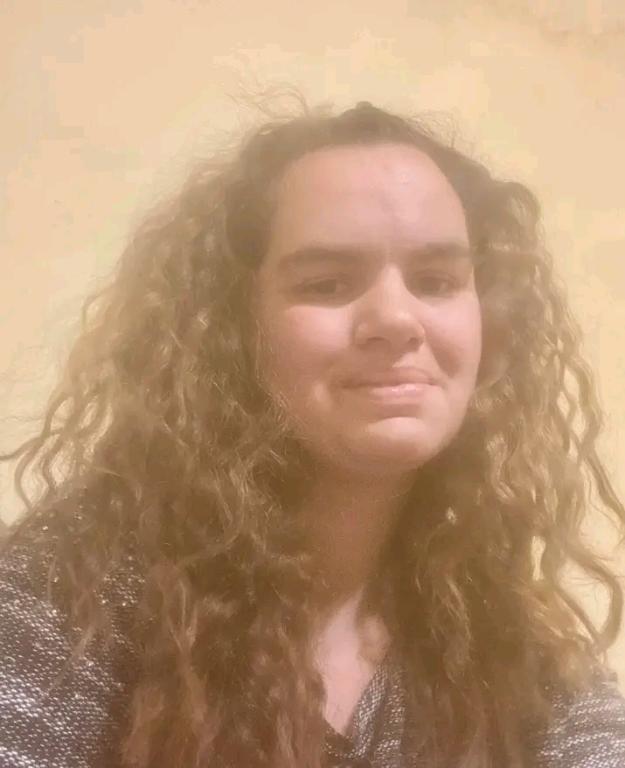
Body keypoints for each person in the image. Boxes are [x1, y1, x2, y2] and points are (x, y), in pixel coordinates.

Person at [1, 95, 625, 768]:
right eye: (327, 284)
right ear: (234, 327)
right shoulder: (72, 595)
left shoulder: (502, 642)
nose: (396, 319)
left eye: (437, 280)